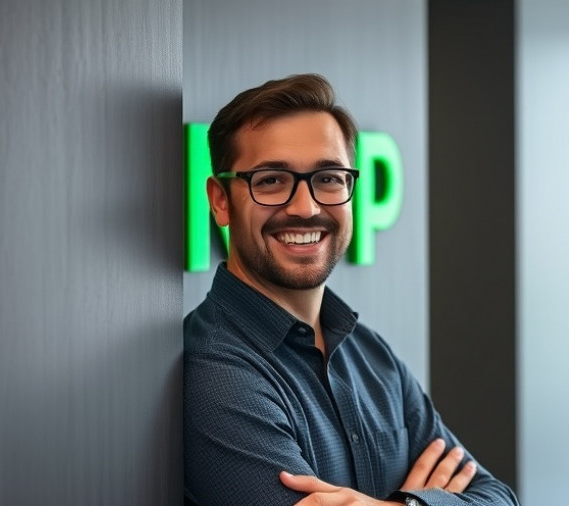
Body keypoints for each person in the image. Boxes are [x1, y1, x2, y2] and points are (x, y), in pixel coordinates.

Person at [184, 74, 519, 506]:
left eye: (328, 178)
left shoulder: (372, 355)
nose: (305, 207)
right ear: (220, 200)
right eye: (270, 180)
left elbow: (499, 497)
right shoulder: (216, 373)